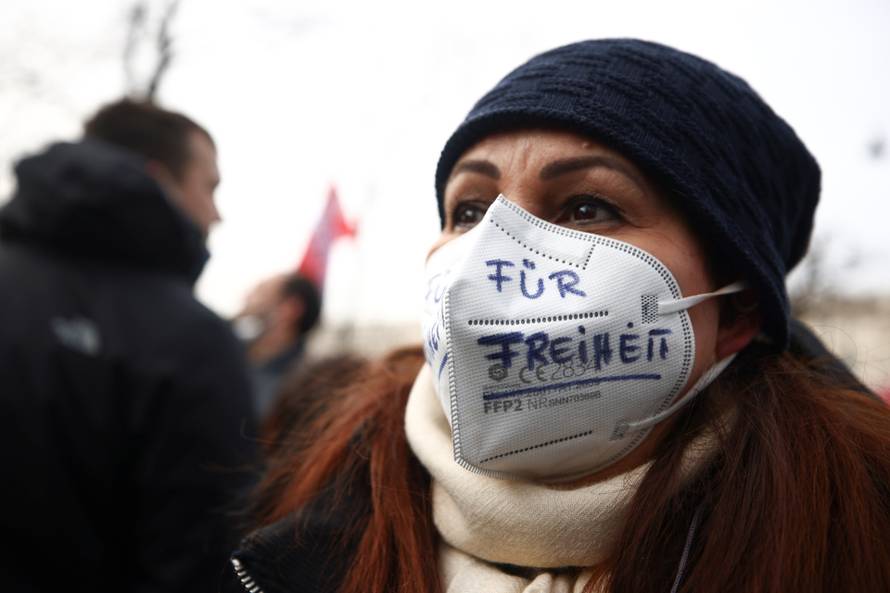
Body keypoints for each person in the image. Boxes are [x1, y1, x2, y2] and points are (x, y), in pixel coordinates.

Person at [224, 40, 890, 593]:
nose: (490, 252)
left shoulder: (855, 546)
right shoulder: (309, 535)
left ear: (736, 311)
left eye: (586, 207)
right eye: (470, 211)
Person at [0, 99, 258, 592]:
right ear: (158, 179)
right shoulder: (190, 339)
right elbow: (197, 566)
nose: (217, 214)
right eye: (210, 187)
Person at [234, 272, 322, 417]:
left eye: (260, 291)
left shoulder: (306, 386)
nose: (246, 298)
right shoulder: (229, 357)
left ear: (290, 309)